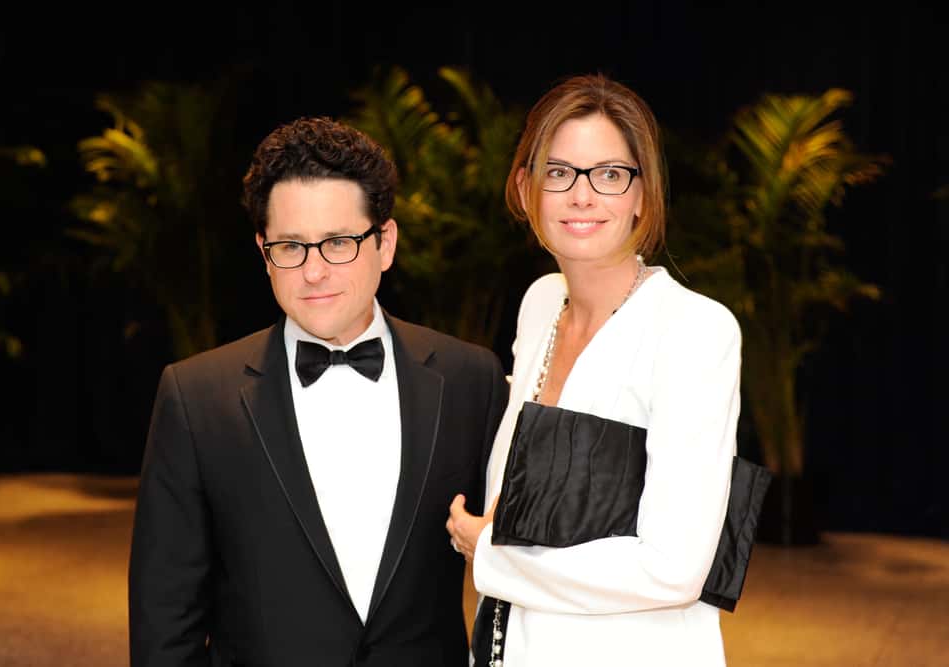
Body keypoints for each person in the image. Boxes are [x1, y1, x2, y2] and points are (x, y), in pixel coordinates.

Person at [129, 116, 508, 667]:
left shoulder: (470, 379)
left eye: (338, 243)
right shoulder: (195, 396)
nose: (313, 271)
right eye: (290, 247)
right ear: (263, 251)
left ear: (386, 243)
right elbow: (165, 616)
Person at [446, 74, 743, 666]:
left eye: (610, 174)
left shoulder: (694, 330)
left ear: (642, 194)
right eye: (559, 173)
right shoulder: (538, 305)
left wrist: (493, 556)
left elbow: (675, 569)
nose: (583, 196)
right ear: (527, 187)